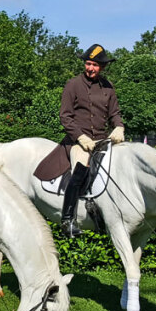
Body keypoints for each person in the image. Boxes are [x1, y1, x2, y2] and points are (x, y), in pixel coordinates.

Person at [33, 43, 125, 238]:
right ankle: (68, 220)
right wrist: (80, 137)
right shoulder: (73, 84)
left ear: (103, 67)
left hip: (101, 141)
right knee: (81, 169)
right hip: (78, 142)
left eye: (95, 65)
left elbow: (114, 113)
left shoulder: (108, 87)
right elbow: (65, 116)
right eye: (88, 64)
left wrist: (119, 126)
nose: (90, 68)